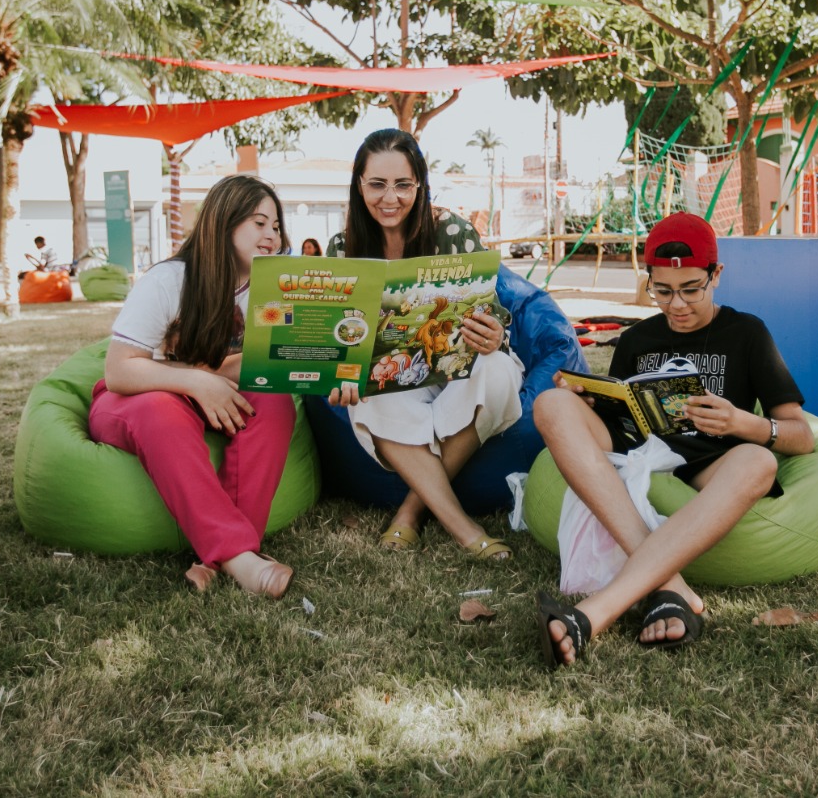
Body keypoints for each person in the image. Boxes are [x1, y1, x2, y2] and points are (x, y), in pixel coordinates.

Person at [532, 211, 814, 668]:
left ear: (716, 275)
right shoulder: (639, 338)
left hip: (711, 460)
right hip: (640, 446)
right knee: (550, 404)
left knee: (759, 464)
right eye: (662, 291)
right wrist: (586, 398)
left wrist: (743, 423)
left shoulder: (747, 333)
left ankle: (593, 614)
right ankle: (671, 585)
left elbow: (801, 435)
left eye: (690, 290)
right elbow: (615, 411)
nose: (677, 305)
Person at [88, 175, 298, 599]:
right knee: (160, 413)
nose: (272, 235)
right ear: (224, 221)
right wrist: (196, 381)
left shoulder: (270, 292)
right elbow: (119, 372)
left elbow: (261, 365)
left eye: (276, 226)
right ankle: (241, 558)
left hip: (207, 395)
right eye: (260, 222)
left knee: (274, 404)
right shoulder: (170, 279)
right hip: (138, 397)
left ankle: (218, 560)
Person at [325, 128, 520, 561]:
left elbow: (494, 312)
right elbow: (338, 341)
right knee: (366, 396)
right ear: (359, 185)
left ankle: (410, 512)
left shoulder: (451, 231)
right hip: (395, 380)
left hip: (458, 370)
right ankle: (466, 530)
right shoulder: (342, 249)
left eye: (403, 184)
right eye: (377, 184)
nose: (389, 197)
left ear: (420, 185)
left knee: (501, 370)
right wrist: (341, 374)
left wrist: (494, 333)